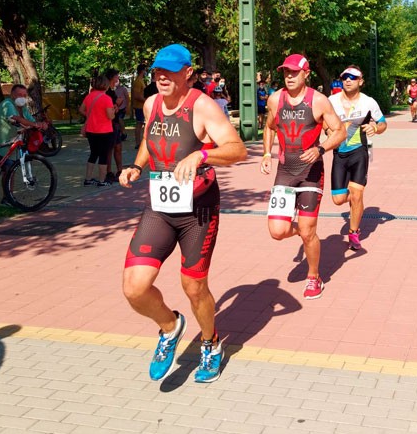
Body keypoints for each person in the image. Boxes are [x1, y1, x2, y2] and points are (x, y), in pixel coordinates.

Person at [119, 44, 247, 383]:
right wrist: (136, 165)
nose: (161, 76)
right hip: (160, 208)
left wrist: (201, 156)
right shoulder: (152, 103)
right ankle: (170, 326)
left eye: (170, 71)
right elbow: (150, 137)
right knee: (134, 287)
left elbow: (237, 149)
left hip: (198, 210)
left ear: (187, 72)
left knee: (193, 286)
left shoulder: (202, 106)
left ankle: (211, 343)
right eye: (157, 71)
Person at [260, 54, 346, 300]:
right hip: (285, 172)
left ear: (306, 73)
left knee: (309, 232)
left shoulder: (319, 102)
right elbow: (269, 126)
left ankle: (313, 277)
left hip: (311, 173)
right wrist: (267, 153)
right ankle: (302, 231)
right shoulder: (276, 99)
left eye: (294, 72)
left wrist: (320, 149)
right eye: (286, 72)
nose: (289, 76)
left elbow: (339, 131)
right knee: (277, 231)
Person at [328, 66, 387, 251]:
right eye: (345, 76)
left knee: (357, 194)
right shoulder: (331, 101)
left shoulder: (368, 102)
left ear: (360, 81)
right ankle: (356, 203)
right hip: (339, 154)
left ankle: (354, 232)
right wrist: (328, 131)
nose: (348, 80)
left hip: (359, 152)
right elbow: (322, 121)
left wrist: (376, 129)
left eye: (353, 77)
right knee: (338, 200)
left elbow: (383, 123)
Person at [78, 75, 116, 186]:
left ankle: (88, 178)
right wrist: (114, 111)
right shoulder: (106, 98)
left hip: (91, 130)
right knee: (103, 155)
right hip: (104, 131)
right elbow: (110, 116)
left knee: (93, 154)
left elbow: (81, 109)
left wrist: (91, 115)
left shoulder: (89, 96)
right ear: (106, 85)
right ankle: (102, 180)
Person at [105, 69, 127, 184]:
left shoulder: (112, 91)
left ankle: (119, 170)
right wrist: (117, 104)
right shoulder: (106, 92)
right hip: (110, 124)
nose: (117, 79)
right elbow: (109, 109)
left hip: (115, 123)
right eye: (116, 77)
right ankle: (108, 172)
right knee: (110, 148)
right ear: (111, 78)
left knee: (118, 147)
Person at [131, 64, 147, 149]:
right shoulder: (138, 81)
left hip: (142, 106)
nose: (145, 72)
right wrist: (146, 100)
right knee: (139, 124)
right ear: (142, 71)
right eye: (145, 70)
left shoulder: (141, 80)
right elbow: (136, 95)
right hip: (139, 106)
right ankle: (138, 143)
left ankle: (141, 142)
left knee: (142, 124)